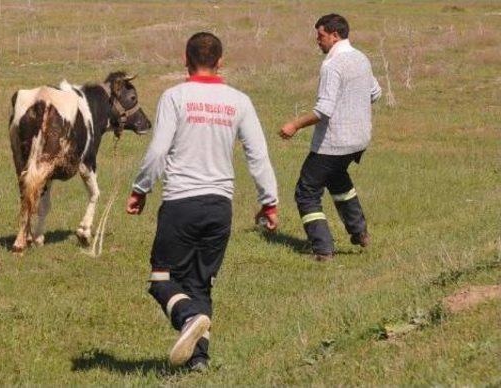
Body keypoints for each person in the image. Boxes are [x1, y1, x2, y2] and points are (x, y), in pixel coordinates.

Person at [126, 32, 279, 370]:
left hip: (182, 202)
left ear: (186, 58)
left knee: (161, 281)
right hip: (220, 206)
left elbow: (157, 151)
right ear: (220, 61)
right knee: (200, 284)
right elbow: (258, 154)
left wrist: (140, 189)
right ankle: (199, 361)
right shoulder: (239, 100)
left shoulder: (174, 97)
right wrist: (269, 201)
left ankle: (187, 317)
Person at [279, 14, 381, 261]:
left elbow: (323, 110)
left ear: (335, 35)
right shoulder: (361, 58)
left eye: (320, 36)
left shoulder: (332, 65)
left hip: (334, 142)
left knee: (306, 191)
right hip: (359, 139)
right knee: (337, 179)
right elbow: (375, 93)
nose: (318, 41)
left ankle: (323, 249)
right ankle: (359, 232)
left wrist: (294, 125)